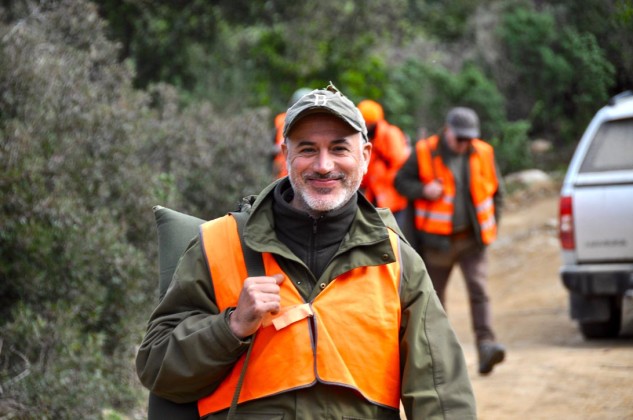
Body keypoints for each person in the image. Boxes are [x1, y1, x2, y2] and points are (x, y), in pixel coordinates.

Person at [136, 84, 477, 419]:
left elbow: (440, 391)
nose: (324, 165)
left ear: (366, 156)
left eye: (340, 148)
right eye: (308, 149)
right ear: (286, 154)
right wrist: (232, 325)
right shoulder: (217, 244)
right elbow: (157, 369)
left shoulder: (397, 261)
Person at [395, 106, 506, 375]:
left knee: (479, 291)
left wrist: (490, 229)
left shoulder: (483, 152)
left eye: (469, 138)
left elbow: (497, 194)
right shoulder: (424, 151)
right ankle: (438, 358)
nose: (464, 144)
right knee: (434, 301)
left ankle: (486, 347)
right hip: (436, 244)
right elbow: (400, 182)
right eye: (460, 138)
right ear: (447, 131)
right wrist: (423, 189)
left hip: (471, 241)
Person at [357, 99, 411, 230]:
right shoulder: (368, 138)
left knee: (394, 238)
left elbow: (399, 163)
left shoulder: (390, 134)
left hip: (393, 199)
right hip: (376, 197)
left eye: (364, 122)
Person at [271, 87, 312, 179]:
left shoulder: (314, 123)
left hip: (302, 175)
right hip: (281, 173)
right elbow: (270, 145)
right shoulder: (280, 120)